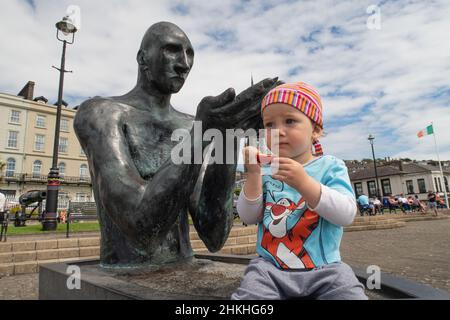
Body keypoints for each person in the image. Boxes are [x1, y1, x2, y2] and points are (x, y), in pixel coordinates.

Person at [74, 22, 278, 267]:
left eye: (190, 54)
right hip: (125, 270)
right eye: (172, 49)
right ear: (142, 58)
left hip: (183, 264)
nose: (184, 64)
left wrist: (230, 136)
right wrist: (202, 133)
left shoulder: (191, 126)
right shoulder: (101, 113)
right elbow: (140, 227)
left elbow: (213, 233)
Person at [232, 82, 367, 300]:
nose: (278, 132)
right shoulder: (267, 170)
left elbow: (346, 214)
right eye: (269, 125)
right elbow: (248, 216)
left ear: (316, 130)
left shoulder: (331, 166)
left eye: (290, 121)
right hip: (269, 268)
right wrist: (254, 174)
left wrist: (304, 183)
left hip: (326, 270)